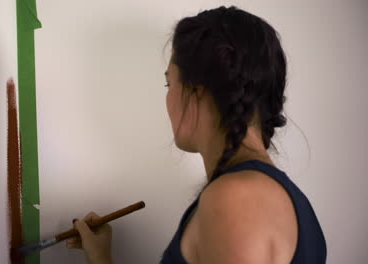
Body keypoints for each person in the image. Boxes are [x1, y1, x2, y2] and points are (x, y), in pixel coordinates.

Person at [66, 5, 326, 264]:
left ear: (197, 89)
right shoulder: (284, 201)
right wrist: (100, 257)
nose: (167, 98)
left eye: (169, 83)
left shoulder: (236, 200)